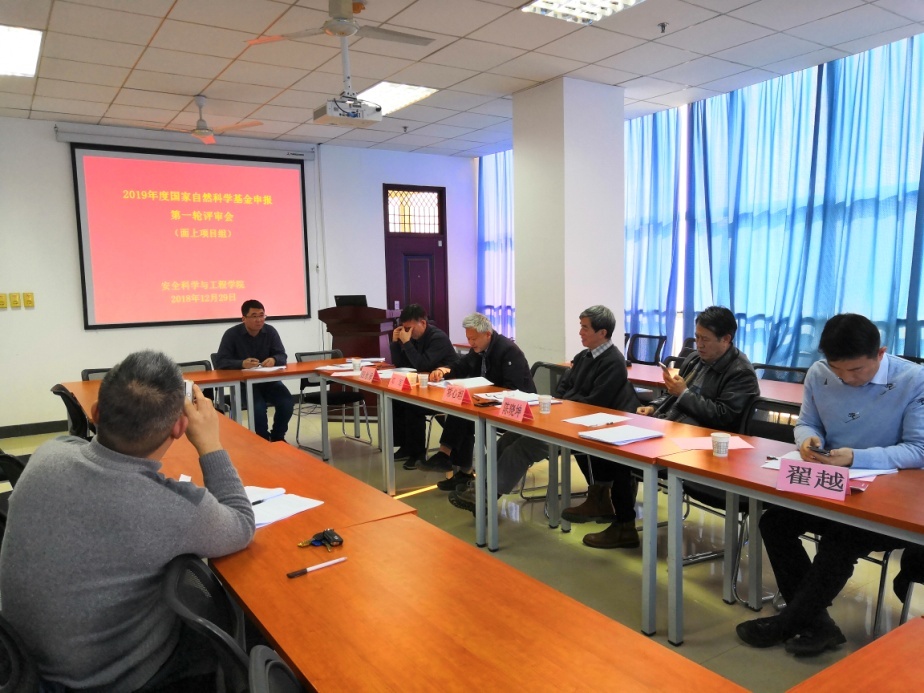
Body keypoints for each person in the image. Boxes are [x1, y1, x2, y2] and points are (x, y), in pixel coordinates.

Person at [0, 351, 255, 691]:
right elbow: (242, 524)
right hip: (107, 680)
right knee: (244, 633)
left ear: (95, 413)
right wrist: (210, 443)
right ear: (180, 427)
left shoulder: (47, 455)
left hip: (27, 664)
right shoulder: (172, 508)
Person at [737, 313, 924, 657]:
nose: (846, 379)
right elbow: (807, 422)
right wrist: (808, 441)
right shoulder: (819, 373)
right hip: (833, 485)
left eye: (856, 370)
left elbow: (918, 450)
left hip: (888, 500)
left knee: (841, 537)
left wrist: (855, 457)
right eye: (838, 370)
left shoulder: (913, 379)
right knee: (774, 522)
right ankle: (818, 624)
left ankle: (789, 622)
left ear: (880, 353)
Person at [565, 305, 759, 549]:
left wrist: (684, 394)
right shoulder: (695, 360)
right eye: (697, 337)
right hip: (674, 429)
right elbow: (671, 395)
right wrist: (653, 407)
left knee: (626, 454)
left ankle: (623, 525)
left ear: (726, 339)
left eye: (705, 339)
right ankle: (609, 508)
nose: (699, 344)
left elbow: (724, 417)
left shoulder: (740, 372)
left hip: (705, 445)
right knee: (613, 441)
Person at [448, 305, 640, 514]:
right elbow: (563, 387)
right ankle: (477, 488)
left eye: (585, 328)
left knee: (519, 449)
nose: (580, 332)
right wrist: (563, 403)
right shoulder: (584, 356)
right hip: (562, 420)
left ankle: (485, 496)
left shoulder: (613, 362)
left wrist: (565, 404)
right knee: (508, 439)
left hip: (581, 430)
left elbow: (593, 402)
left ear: (602, 333)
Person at [418, 312, 534, 489]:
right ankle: (456, 466)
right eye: (468, 338)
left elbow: (513, 389)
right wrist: (443, 370)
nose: (471, 343)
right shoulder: (480, 349)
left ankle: (452, 462)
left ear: (487, 334)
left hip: (516, 409)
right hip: (488, 403)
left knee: (464, 417)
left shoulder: (508, 351)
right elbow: (461, 365)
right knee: (462, 412)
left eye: (474, 339)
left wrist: (484, 393)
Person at [389, 304, 459, 470]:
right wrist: (395, 343)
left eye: (410, 328)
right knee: (395, 401)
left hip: (445, 388)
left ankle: (417, 453)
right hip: (427, 386)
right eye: (404, 329)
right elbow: (401, 364)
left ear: (423, 323)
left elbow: (422, 365)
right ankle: (406, 446)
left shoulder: (437, 338)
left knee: (412, 405)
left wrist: (407, 343)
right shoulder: (415, 338)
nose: (407, 333)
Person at [215, 299, 294, 441]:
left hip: (269, 381)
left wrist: (274, 359)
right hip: (244, 384)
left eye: (262, 315)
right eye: (254, 316)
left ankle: (278, 438)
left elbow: (282, 355)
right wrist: (241, 364)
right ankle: (262, 439)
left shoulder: (270, 331)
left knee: (287, 402)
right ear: (244, 318)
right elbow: (220, 361)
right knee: (258, 408)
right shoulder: (231, 334)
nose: (259, 320)